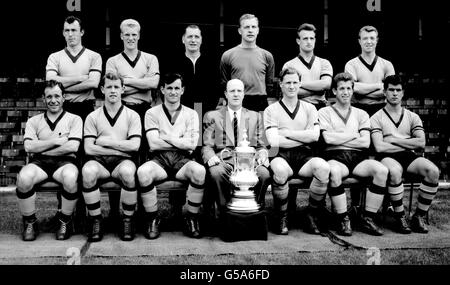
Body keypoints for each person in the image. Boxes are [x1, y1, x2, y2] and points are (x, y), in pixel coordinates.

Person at [318, 72, 389, 236]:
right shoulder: (324, 112)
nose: (345, 92)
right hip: (335, 156)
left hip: (358, 158)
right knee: (333, 171)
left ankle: (368, 218)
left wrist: (340, 137)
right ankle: (343, 219)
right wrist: (354, 135)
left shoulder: (361, 114)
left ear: (353, 90)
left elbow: (365, 142)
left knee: (381, 170)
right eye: (341, 88)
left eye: (349, 88)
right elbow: (328, 139)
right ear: (334, 91)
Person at [137, 73, 206, 239]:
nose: (173, 92)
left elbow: (191, 144)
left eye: (177, 88)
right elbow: (153, 144)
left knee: (199, 171)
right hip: (159, 159)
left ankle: (191, 218)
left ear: (182, 90)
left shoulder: (191, 113)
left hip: (183, 159)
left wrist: (165, 136)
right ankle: (152, 219)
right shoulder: (152, 113)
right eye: (169, 88)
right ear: (162, 90)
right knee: (143, 172)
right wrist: (180, 141)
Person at [264, 68, 330, 235]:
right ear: (281, 84)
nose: (291, 86)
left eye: (295, 82)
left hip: (304, 156)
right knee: (279, 171)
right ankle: (282, 215)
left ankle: (311, 214)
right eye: (288, 83)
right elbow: (273, 141)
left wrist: (285, 133)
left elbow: (315, 136)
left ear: (300, 84)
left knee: (323, 168)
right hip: (281, 154)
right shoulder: (271, 110)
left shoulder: (310, 108)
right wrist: (302, 136)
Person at [371, 75, 440, 234]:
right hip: (386, 157)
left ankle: (418, 216)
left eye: (398, 90)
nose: (394, 93)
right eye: (391, 90)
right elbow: (380, 147)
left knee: (433, 172)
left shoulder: (412, 117)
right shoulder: (376, 117)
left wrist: (393, 139)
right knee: (395, 172)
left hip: (407, 156)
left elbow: (421, 143)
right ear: (384, 92)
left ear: (403, 93)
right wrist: (408, 141)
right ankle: (400, 216)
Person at [16, 80, 83, 241]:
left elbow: (72, 147)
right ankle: (30, 222)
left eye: (57, 96)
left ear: (64, 97)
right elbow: (28, 147)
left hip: (65, 162)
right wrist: (56, 142)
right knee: (23, 178)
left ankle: (64, 221)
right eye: (49, 96)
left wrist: (42, 147)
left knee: (71, 178)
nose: (53, 100)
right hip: (39, 163)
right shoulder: (34, 121)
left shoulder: (74, 119)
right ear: (43, 99)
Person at [81, 72, 141, 242]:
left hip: (122, 163)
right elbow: (89, 149)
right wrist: (119, 148)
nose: (113, 91)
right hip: (99, 162)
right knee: (87, 172)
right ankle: (96, 220)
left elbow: (134, 146)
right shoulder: (93, 116)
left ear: (123, 89)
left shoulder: (132, 115)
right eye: (109, 87)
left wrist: (105, 142)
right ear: (102, 89)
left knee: (129, 172)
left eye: (116, 87)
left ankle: (127, 220)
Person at [202, 78, 271, 217]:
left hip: (248, 162)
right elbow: (207, 145)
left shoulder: (255, 116)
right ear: (226, 94)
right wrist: (210, 156)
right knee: (216, 173)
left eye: (239, 91)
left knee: (264, 174)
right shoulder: (212, 116)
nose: (236, 94)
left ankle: (254, 212)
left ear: (244, 94)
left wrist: (263, 154)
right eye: (232, 91)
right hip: (223, 160)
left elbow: (261, 145)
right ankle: (224, 212)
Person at [46, 15, 102, 121]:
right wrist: (80, 78)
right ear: (63, 33)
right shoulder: (54, 57)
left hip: (86, 107)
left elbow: (93, 83)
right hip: (63, 107)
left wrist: (62, 88)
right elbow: (50, 81)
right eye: (67, 30)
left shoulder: (94, 56)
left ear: (82, 32)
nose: (70, 34)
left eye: (74, 30)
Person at [220, 14, 275, 112]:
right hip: (236, 101)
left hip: (260, 103)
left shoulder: (267, 56)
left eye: (253, 27)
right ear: (240, 31)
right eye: (246, 27)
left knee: (260, 127)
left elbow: (270, 86)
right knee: (235, 128)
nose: (250, 30)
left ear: (258, 30)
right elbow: (224, 83)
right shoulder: (228, 55)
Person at [106, 18, 160, 118]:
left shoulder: (151, 58)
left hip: (144, 110)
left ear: (138, 36)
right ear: (121, 36)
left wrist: (125, 81)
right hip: (121, 111)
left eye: (134, 34)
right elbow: (113, 89)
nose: (131, 38)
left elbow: (153, 83)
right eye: (127, 34)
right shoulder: (112, 61)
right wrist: (144, 84)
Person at [161, 24, 220, 114]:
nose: (193, 40)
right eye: (190, 37)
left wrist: (211, 110)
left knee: (199, 128)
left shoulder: (212, 63)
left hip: (206, 112)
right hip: (179, 110)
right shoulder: (173, 63)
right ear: (183, 39)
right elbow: (166, 87)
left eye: (196, 37)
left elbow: (217, 89)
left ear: (201, 40)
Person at [344, 25, 395, 117]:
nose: (369, 42)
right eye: (365, 38)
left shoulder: (387, 65)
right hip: (357, 109)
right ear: (359, 41)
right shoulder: (351, 64)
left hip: (381, 109)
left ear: (377, 40)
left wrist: (361, 90)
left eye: (372, 38)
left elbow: (390, 91)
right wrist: (380, 86)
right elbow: (352, 88)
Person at [282, 23, 333, 110]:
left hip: (319, 108)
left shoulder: (324, 63)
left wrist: (299, 84)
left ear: (315, 40)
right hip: (297, 108)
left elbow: (326, 84)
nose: (309, 42)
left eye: (311, 38)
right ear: (298, 41)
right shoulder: (289, 65)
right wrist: (318, 90)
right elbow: (289, 91)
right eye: (305, 38)